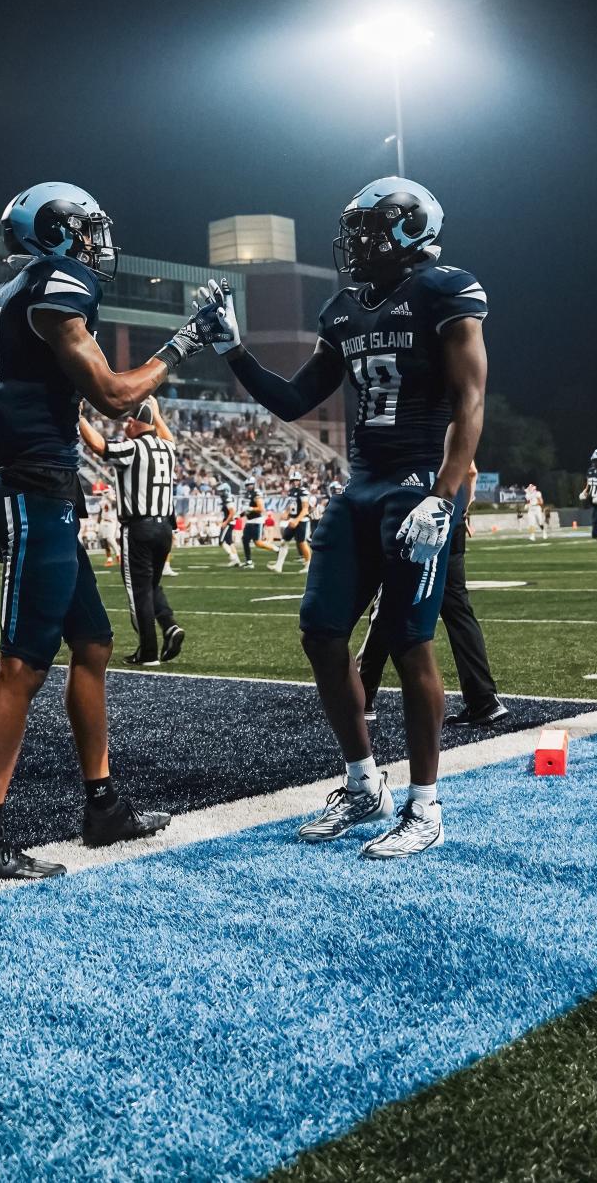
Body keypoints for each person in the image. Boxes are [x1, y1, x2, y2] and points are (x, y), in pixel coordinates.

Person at [202, 176, 488, 858]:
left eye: (371, 229)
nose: (357, 243)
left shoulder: (446, 291)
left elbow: (471, 399)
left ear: (412, 227)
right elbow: (298, 398)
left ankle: (425, 805)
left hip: (417, 484)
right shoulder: (343, 309)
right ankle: (364, 784)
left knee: (413, 642)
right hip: (360, 488)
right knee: (321, 633)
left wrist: (442, 496)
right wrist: (234, 352)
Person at [0, 181, 220, 880]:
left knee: (95, 643)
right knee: (22, 664)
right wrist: (185, 342)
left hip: (35, 486)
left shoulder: (3, 297)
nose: (94, 240)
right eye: (84, 227)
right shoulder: (56, 282)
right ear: (55, 232)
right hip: (36, 489)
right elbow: (115, 395)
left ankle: (102, 803)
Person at [356, 461, 508, 727]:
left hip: (416, 514)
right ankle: (484, 700)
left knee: (389, 601)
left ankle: (362, 696)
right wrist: (462, 510)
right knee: (458, 609)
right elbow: (470, 470)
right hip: (451, 512)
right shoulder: (452, 426)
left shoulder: (417, 429)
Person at [79, 397, 184, 666]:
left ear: (139, 423)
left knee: (138, 590)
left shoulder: (134, 448)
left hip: (139, 527)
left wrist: (77, 418)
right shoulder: (167, 449)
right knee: (151, 585)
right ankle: (169, 625)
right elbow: (168, 436)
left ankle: (148, 652)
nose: (127, 423)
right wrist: (157, 415)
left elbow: (99, 446)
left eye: (130, 419)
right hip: (164, 528)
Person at [269, 469, 312, 573]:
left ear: (300, 481)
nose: (294, 482)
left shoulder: (303, 492)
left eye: (296, 480)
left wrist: (296, 520)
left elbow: (305, 509)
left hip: (301, 520)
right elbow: (292, 505)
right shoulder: (292, 491)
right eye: (293, 481)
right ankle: (278, 566)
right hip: (293, 520)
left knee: (302, 543)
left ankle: (309, 566)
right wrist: (286, 513)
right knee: (284, 542)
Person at [238, 477, 280, 568]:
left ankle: (277, 549)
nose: (249, 487)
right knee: (245, 540)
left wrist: (251, 508)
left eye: (250, 485)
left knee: (258, 543)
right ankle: (249, 562)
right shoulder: (247, 495)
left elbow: (261, 509)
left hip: (257, 521)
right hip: (249, 521)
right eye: (247, 485)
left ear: (254, 484)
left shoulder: (256, 493)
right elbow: (247, 510)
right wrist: (239, 515)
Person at [217, 482, 240, 566]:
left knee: (221, 541)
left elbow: (232, 513)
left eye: (222, 491)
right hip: (229, 521)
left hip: (228, 522)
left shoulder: (228, 500)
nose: (220, 493)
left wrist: (225, 522)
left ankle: (232, 556)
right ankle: (236, 560)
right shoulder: (228, 499)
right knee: (229, 541)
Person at [96, 500, 119, 567]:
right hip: (103, 522)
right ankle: (109, 559)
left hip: (112, 522)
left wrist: (110, 498)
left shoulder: (113, 499)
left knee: (111, 539)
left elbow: (115, 504)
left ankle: (118, 555)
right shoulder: (102, 501)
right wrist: (97, 525)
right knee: (105, 541)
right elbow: (100, 513)